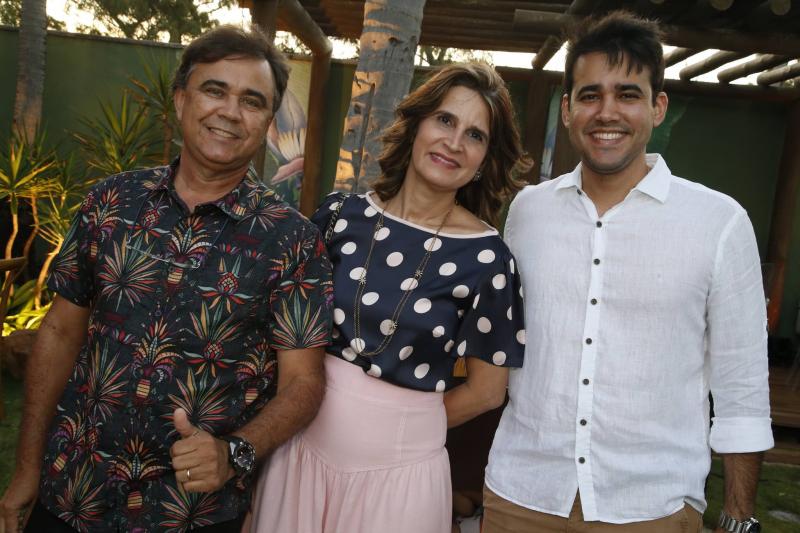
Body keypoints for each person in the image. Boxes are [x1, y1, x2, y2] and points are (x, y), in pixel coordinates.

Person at [0, 25, 333, 533]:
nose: (230, 111)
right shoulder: (111, 202)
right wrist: (27, 467)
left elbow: (304, 383)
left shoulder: (293, 241)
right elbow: (60, 332)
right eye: (214, 90)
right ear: (181, 100)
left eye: (252, 101)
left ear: (267, 122)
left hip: (189, 512)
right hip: (72, 490)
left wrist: (235, 452)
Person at [484, 10, 773, 533]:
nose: (607, 112)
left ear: (658, 107)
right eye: (590, 95)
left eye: (628, 94)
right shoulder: (527, 212)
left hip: (652, 508)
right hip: (519, 495)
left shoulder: (720, 223)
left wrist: (738, 518)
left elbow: (742, 389)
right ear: (567, 108)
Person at [248, 63, 530, 533]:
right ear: (417, 124)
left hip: (400, 480)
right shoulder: (339, 218)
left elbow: (487, 391)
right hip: (298, 457)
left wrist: (397, 426)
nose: (454, 142)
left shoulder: (488, 260)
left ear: (485, 159)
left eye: (475, 135)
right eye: (444, 120)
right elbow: (283, 336)